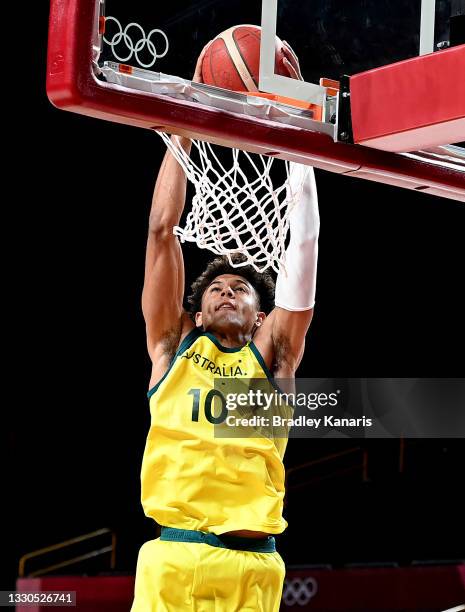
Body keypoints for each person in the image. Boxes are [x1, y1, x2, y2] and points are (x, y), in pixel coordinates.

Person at [131, 41, 320, 612]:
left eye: (240, 287)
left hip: (254, 566)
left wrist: (303, 146)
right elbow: (162, 232)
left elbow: (303, 247)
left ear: (261, 316)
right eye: (215, 288)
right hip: (174, 559)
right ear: (196, 309)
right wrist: (183, 125)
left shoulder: (274, 361)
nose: (227, 290)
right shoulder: (171, 345)